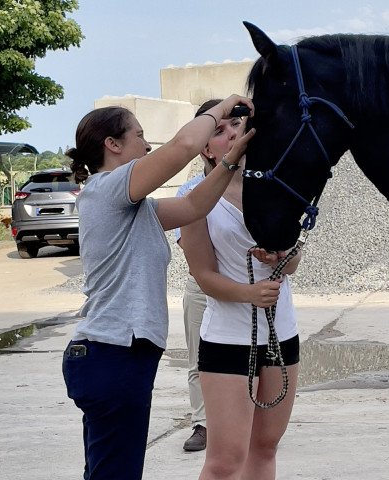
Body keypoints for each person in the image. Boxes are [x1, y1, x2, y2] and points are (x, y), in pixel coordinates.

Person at [61, 94, 255, 480]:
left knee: (109, 471)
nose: (147, 145)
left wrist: (231, 159)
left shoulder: (134, 206)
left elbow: (194, 206)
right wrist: (221, 109)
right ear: (112, 145)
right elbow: (184, 146)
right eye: (139, 135)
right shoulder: (109, 189)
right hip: (113, 354)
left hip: (114, 355)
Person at [180, 103, 302, 480]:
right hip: (227, 338)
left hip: (282, 334)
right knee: (225, 460)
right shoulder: (194, 197)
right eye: (219, 130)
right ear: (206, 149)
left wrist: (282, 255)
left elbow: (293, 260)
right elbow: (202, 275)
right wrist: (249, 293)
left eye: (237, 123)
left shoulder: (277, 186)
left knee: (265, 448)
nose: (232, 132)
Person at [174, 100, 221, 452]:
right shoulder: (187, 192)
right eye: (218, 130)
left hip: (246, 286)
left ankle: (246, 418)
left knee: (253, 356)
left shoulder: (254, 187)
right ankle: (202, 424)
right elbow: (188, 247)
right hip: (202, 287)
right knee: (199, 360)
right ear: (205, 145)